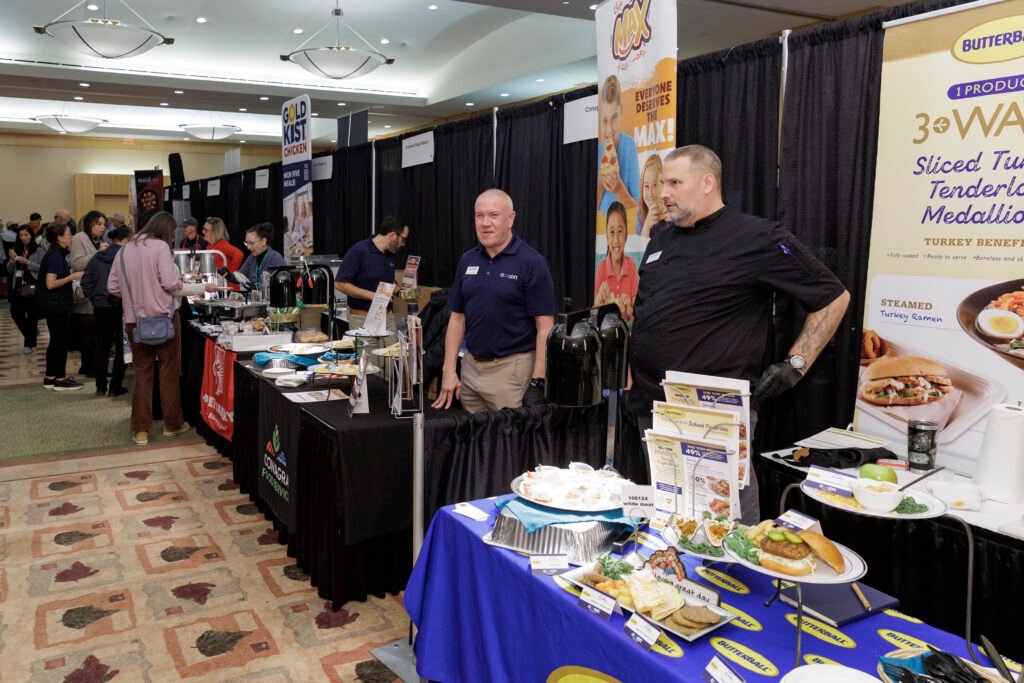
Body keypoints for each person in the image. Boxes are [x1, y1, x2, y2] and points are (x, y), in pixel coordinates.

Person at [627, 145, 850, 523]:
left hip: (713, 412)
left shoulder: (758, 238)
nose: (663, 193)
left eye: (674, 183)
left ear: (707, 183)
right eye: (663, 183)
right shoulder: (661, 240)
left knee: (727, 522)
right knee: (669, 517)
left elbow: (832, 297)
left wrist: (796, 364)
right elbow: (647, 313)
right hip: (653, 408)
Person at [432, 189, 555, 413]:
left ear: (511, 218)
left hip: (511, 374)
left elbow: (545, 328)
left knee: (510, 435)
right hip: (470, 371)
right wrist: (449, 370)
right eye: (479, 216)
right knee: (474, 434)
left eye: (493, 215)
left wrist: (538, 382)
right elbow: (457, 319)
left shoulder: (532, 263)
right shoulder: (467, 260)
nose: (485, 223)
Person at [109, 212, 210, 445]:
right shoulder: (161, 248)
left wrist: (136, 295)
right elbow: (170, 282)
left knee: (142, 374)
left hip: (134, 321)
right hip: (164, 319)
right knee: (169, 372)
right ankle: (172, 424)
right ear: (166, 230)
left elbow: (112, 286)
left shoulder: (124, 250)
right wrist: (180, 285)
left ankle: (140, 429)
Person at [333, 215, 408, 334]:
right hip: (362, 319)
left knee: (394, 347)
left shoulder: (390, 255)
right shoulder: (359, 251)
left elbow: (386, 280)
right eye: (403, 239)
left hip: (387, 318)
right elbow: (340, 284)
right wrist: (371, 295)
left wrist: (400, 291)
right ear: (393, 235)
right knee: (367, 348)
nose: (404, 244)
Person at [81, 225, 131, 397]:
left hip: (101, 306)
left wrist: (95, 298)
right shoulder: (126, 257)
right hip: (122, 306)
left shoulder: (97, 257)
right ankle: (115, 386)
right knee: (122, 347)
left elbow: (85, 281)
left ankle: (100, 386)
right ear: (125, 240)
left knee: (102, 346)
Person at [35, 222, 85, 391]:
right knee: (60, 342)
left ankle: (50, 377)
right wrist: (72, 277)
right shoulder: (55, 256)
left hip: (54, 305)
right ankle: (60, 379)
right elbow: (50, 283)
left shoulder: (55, 254)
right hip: (56, 305)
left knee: (56, 341)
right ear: (59, 238)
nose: (71, 237)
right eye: (69, 234)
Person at [69, 210, 108, 377]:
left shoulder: (97, 240)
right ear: (89, 224)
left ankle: (89, 367)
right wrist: (99, 252)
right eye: (99, 224)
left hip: (95, 292)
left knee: (93, 333)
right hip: (84, 292)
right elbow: (77, 264)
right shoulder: (80, 238)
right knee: (88, 333)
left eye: (104, 224)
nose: (103, 227)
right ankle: (90, 368)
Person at [597, 74, 639, 216]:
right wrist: (602, 182)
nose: (609, 130)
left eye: (614, 117)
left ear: (621, 111)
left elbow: (639, 211)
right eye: (605, 121)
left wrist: (619, 190)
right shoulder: (598, 151)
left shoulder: (629, 146)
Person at [594, 202, 639, 322]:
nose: (616, 240)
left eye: (620, 231)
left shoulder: (632, 266)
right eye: (612, 232)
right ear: (607, 236)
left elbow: (635, 317)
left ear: (626, 235)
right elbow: (594, 316)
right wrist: (598, 300)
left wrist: (628, 308)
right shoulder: (601, 269)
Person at [6, 225, 44, 352]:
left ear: (31, 236)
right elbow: (9, 270)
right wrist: (12, 260)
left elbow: (44, 268)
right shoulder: (16, 249)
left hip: (33, 286)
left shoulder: (39, 250)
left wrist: (28, 263)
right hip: (18, 287)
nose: (23, 238)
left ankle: (29, 344)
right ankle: (31, 333)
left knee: (32, 316)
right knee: (15, 313)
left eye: (26, 235)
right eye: (21, 235)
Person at [236, 222, 285, 290]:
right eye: (246, 243)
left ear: (263, 241)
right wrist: (229, 276)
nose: (248, 247)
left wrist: (255, 287)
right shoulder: (251, 257)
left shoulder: (276, 259)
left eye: (251, 243)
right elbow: (240, 275)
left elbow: (275, 286)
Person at [203, 217, 243, 290]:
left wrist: (229, 274)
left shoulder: (221, 245)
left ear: (215, 232)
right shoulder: (210, 245)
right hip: (218, 286)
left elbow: (239, 254)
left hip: (228, 289)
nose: (203, 232)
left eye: (206, 230)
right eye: (203, 229)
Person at [637, 154, 665, 237]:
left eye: (655, 185)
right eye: (646, 186)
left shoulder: (670, 213)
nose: (650, 193)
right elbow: (639, 244)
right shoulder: (640, 213)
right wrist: (646, 226)